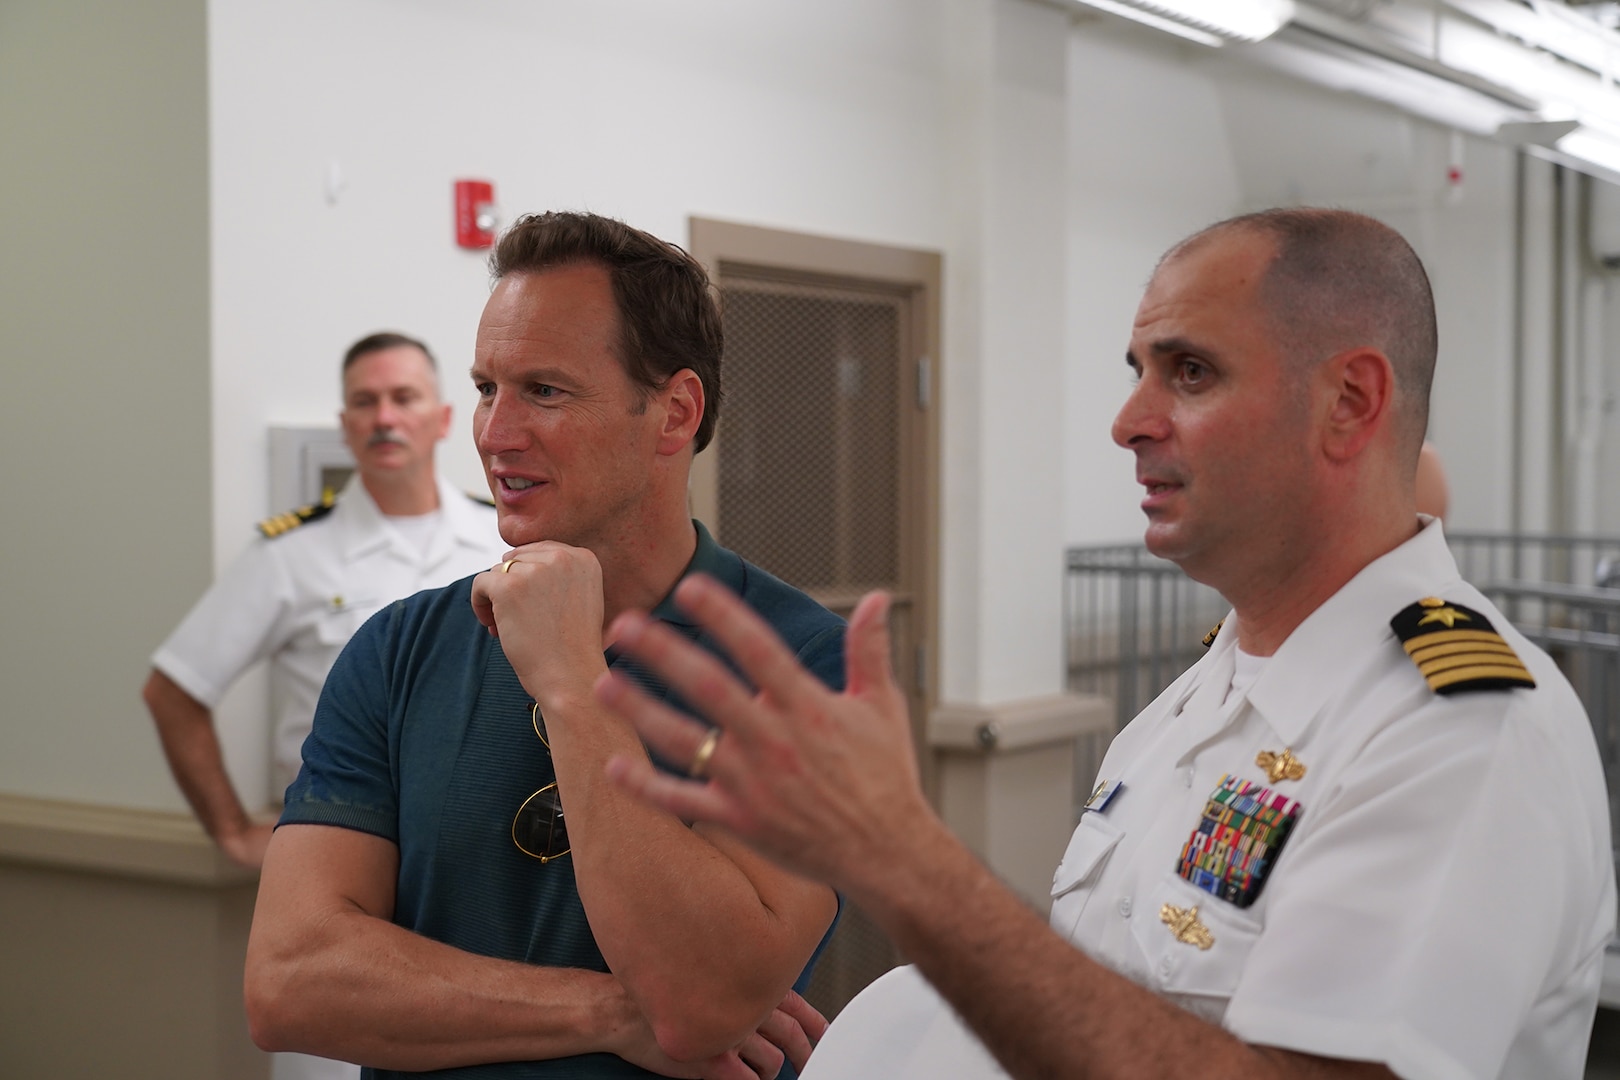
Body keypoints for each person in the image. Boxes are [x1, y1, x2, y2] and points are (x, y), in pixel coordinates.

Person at [596, 209, 1616, 1080]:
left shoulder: (1460, 733)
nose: (1130, 420)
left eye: (1192, 373)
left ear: (1350, 402)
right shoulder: (1203, 695)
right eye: (1140, 372)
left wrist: (908, 866)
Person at [244, 211, 844, 1080]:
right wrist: (607, 1012)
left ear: (674, 412)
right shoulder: (398, 649)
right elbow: (290, 983)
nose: (494, 434)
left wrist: (570, 681)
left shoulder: (800, 662)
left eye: (546, 392)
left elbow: (701, 1000)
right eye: (489, 387)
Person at [145, 331, 508, 1080]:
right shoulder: (291, 554)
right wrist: (233, 832)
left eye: (403, 399)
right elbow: (174, 687)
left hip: (475, 884)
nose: (384, 418)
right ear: (344, 425)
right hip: (341, 895)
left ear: (442, 419)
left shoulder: (499, 540)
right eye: (364, 402)